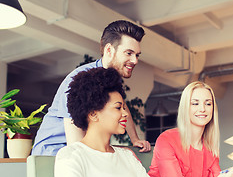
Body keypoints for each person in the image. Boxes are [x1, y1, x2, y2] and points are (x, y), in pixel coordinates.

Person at [54, 67, 210, 177]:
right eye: (118, 107)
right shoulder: (69, 156)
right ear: (93, 114)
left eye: (123, 107)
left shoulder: (126, 156)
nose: (125, 114)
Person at [32, 20, 151, 156]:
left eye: (137, 55)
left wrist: (135, 139)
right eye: (129, 53)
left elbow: (123, 107)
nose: (135, 60)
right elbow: (75, 145)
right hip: (52, 153)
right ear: (109, 50)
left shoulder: (110, 80)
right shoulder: (80, 80)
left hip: (76, 152)